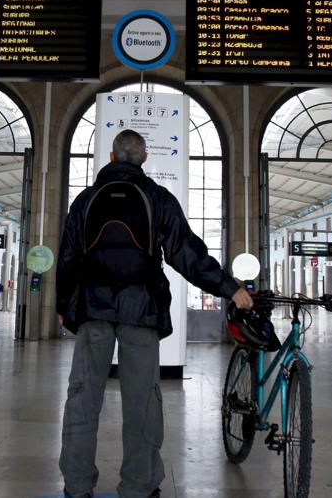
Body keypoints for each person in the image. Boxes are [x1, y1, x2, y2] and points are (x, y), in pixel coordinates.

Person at [57, 130, 253, 498]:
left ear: (113, 158)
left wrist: (63, 308)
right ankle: (139, 486)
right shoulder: (157, 197)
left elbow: (67, 258)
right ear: (144, 159)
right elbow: (188, 255)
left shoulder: (86, 199)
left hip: (93, 309)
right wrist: (230, 288)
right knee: (142, 402)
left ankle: (77, 485)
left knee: (83, 399)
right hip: (142, 310)